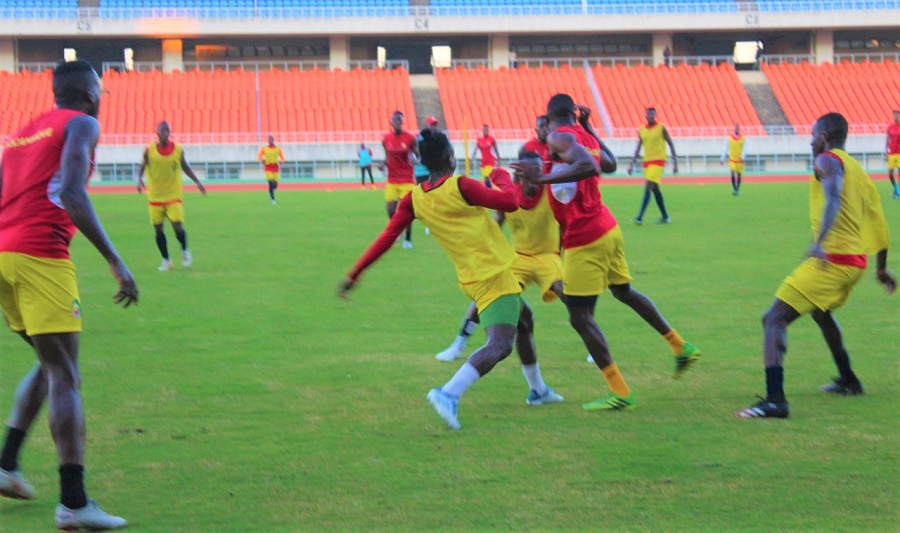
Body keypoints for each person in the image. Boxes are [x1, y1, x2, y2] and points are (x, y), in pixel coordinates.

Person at [339, 129, 562, 430]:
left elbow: (387, 238)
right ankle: (448, 393)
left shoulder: (415, 198)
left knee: (525, 320)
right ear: (449, 157)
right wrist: (500, 175)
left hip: (471, 278)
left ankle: (538, 391)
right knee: (500, 345)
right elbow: (510, 202)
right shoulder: (462, 186)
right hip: (494, 273)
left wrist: (354, 274)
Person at [0, 59, 137, 531]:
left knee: (48, 361)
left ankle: (7, 464)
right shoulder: (83, 124)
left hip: (5, 257)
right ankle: (74, 503)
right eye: (99, 90)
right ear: (89, 92)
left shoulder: (22, 133)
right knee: (64, 373)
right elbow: (74, 195)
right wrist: (115, 260)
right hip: (41, 255)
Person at [511, 94, 701, 412]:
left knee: (580, 316)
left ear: (549, 117)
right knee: (624, 292)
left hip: (585, 237)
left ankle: (620, 391)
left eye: (543, 122)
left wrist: (542, 177)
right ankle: (680, 346)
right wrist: (591, 129)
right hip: (607, 228)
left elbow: (586, 165)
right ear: (575, 114)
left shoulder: (560, 137)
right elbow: (607, 164)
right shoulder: (582, 135)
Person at [736, 112, 895, 419]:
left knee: (773, 319)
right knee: (821, 314)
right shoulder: (859, 171)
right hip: (855, 263)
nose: (810, 141)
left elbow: (832, 197)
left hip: (832, 260)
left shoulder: (827, 161)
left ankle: (775, 401)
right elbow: (879, 221)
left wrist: (820, 241)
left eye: (813, 135)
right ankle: (848, 379)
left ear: (823, 137)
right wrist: (880, 268)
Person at [437, 116, 554, 361]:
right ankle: (459, 342)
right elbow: (495, 225)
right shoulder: (508, 197)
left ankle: (590, 345)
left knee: (571, 295)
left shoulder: (553, 189)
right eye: (529, 171)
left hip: (549, 257)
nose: (535, 176)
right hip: (518, 258)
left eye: (539, 171)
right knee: (489, 297)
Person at [136, 121, 206, 271]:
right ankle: (166, 260)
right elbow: (142, 166)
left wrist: (198, 182)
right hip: (155, 197)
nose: (165, 133)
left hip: (173, 195)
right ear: (157, 133)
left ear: (170, 132)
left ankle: (185, 251)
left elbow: (185, 167)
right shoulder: (149, 151)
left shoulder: (178, 150)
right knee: (158, 230)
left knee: (177, 227)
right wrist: (138, 180)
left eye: (167, 130)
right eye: (162, 131)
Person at [627, 107, 678, 225]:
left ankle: (639, 218)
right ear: (645, 116)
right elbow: (638, 147)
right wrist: (632, 164)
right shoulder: (642, 129)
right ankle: (665, 217)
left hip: (658, 161)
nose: (650, 116)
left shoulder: (661, 128)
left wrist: (675, 162)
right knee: (655, 190)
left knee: (648, 186)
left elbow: (670, 143)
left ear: (655, 115)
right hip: (647, 163)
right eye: (648, 114)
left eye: (652, 114)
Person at [379, 111, 419, 249]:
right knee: (390, 209)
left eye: (399, 120)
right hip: (392, 180)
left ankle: (408, 239)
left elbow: (418, 156)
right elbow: (387, 156)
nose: (396, 122)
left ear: (402, 122)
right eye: (394, 120)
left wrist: (415, 160)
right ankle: (398, 231)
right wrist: (382, 164)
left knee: (406, 211)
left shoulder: (410, 138)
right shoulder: (386, 139)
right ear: (391, 122)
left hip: (407, 180)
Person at [257, 135, 285, 205]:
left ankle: (271, 190)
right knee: (270, 182)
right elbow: (259, 156)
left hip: (275, 167)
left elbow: (282, 157)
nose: (269, 141)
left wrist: (282, 161)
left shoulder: (278, 148)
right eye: (268, 140)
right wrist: (262, 160)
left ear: (273, 140)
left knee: (275, 185)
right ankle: (273, 199)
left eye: (271, 140)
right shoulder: (264, 148)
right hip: (268, 167)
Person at [721, 124, 746, 196]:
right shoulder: (730, 139)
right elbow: (726, 149)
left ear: (739, 130)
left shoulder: (743, 139)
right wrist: (722, 158)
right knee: (732, 173)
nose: (736, 130)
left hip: (739, 160)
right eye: (735, 129)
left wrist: (743, 157)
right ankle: (735, 189)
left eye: (738, 129)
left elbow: (745, 149)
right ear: (734, 130)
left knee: (739, 175)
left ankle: (737, 189)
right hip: (732, 159)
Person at [885, 110, 900, 199]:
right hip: (891, 153)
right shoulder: (890, 127)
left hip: (899, 153)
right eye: (894, 115)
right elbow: (887, 140)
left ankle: (898, 192)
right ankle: (896, 189)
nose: (896, 116)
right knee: (890, 174)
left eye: (897, 115)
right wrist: (886, 152)